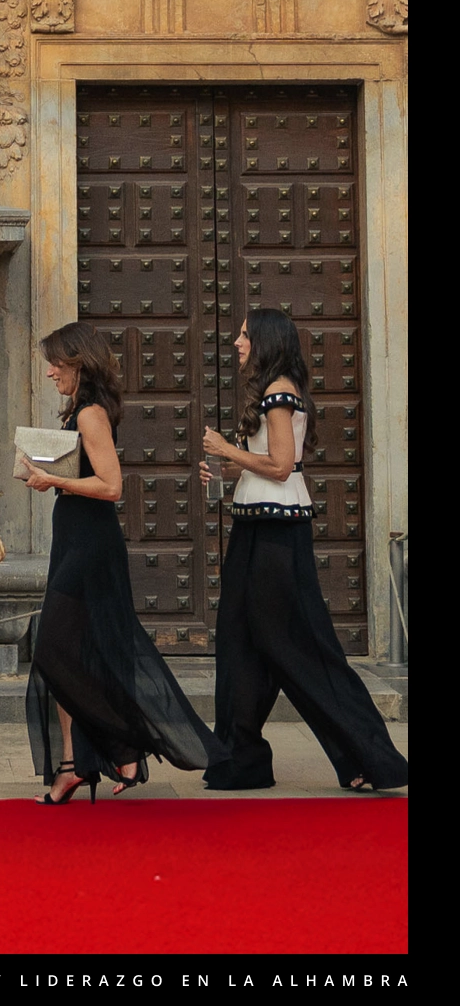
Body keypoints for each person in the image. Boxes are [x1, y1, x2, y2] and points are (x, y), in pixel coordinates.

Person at [199, 309, 408, 792]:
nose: (236, 342)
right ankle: (240, 757)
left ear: (267, 340)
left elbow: (280, 465)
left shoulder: (280, 392)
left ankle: (367, 757)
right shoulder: (269, 392)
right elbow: (271, 466)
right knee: (239, 643)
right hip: (255, 526)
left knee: (300, 648)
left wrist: (227, 452)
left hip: (277, 532)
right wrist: (228, 472)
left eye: (246, 335)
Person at [20, 321, 214, 802]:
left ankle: (121, 745)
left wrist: (54, 482)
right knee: (71, 652)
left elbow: (111, 487)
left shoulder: (90, 415)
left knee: (53, 650)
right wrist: (47, 470)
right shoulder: (78, 412)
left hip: (90, 545)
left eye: (56, 363)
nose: (49, 372)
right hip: (74, 538)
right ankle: (71, 765)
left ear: (78, 363)